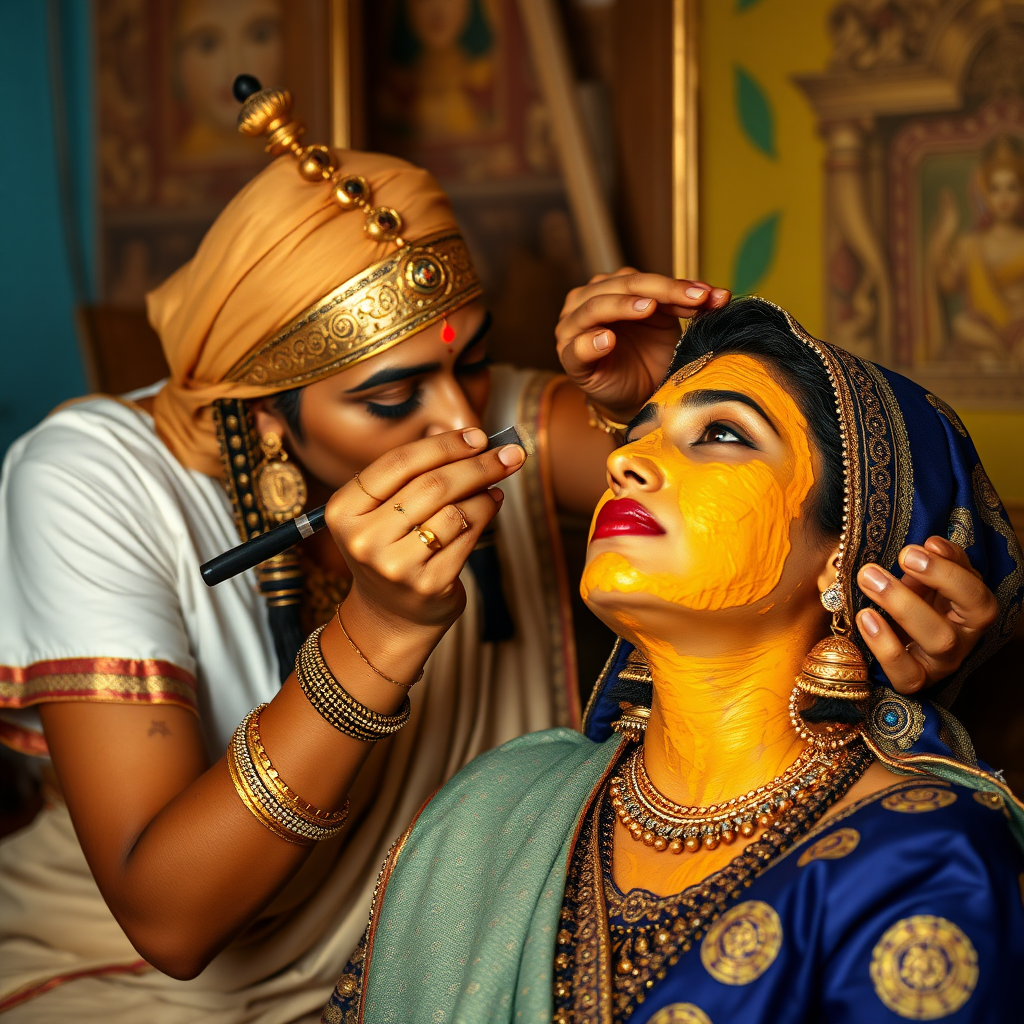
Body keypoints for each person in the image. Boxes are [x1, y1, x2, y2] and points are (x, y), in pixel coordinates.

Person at [0, 78, 996, 1020]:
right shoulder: (93, 479)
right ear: (264, 418)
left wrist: (667, 395)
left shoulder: (917, 858)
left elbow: (852, 462)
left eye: (473, 365)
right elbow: (172, 920)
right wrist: (377, 633)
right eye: (390, 400)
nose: (462, 427)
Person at [322, 298, 1024, 1024]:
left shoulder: (921, 852)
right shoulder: (497, 805)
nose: (625, 460)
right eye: (637, 435)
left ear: (846, 555)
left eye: (722, 433)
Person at [929, 134, 1024, 364]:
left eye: (1011, 188)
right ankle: (1001, 354)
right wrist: (944, 233)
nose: (1003, 197)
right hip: (983, 329)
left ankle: (1006, 357)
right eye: (995, 189)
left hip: (1020, 324)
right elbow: (947, 283)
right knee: (962, 325)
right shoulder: (969, 244)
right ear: (984, 194)